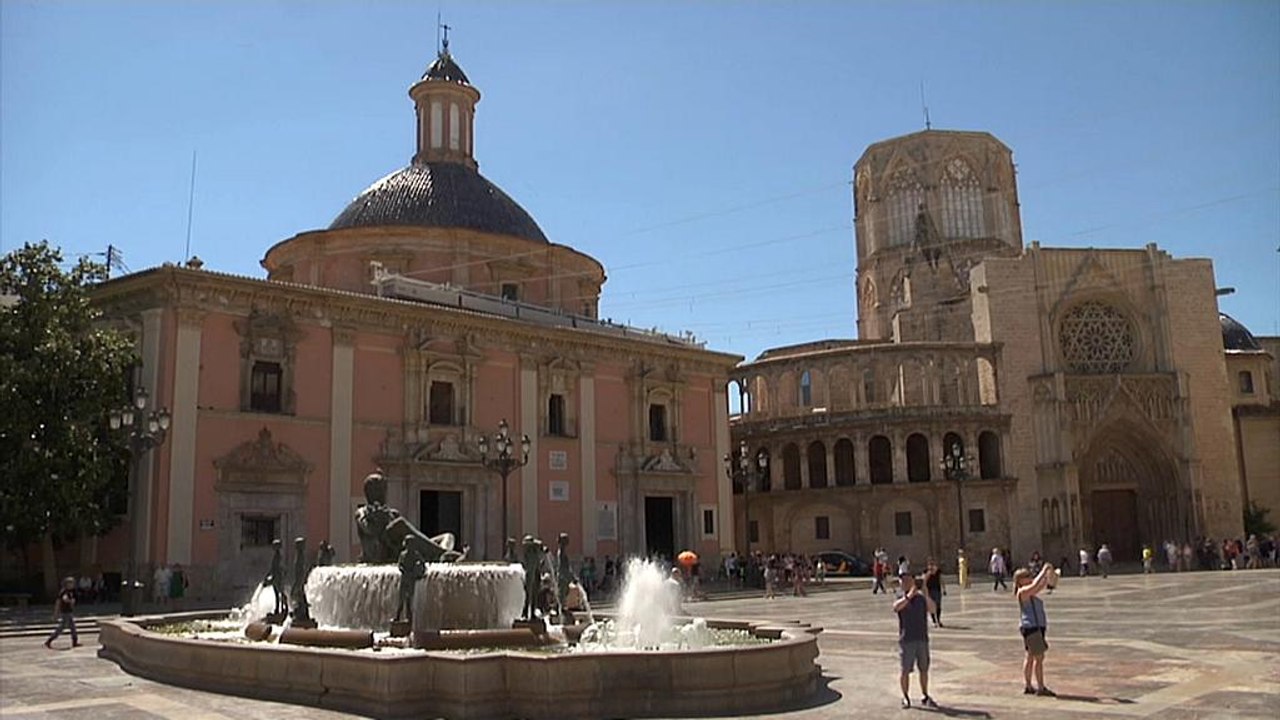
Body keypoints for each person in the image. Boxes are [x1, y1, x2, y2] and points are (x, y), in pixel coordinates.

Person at [892, 572, 938, 709]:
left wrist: (925, 593)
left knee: (924, 669)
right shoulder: (901, 597)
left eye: (908, 580)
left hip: (922, 638)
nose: (905, 583)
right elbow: (896, 607)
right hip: (907, 639)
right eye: (903, 581)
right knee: (905, 669)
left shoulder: (921, 598)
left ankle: (925, 695)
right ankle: (905, 696)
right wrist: (909, 595)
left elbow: (933, 609)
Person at [1013, 563, 1058, 697]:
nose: (1029, 578)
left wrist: (1051, 574)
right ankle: (1041, 687)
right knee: (1039, 658)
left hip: (1035, 627)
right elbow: (1035, 586)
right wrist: (1044, 570)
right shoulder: (1023, 592)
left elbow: (1044, 585)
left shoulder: (1030, 591)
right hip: (1031, 627)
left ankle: (1028, 685)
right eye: (1026, 577)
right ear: (1020, 581)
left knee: (1031, 657)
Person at [44, 577, 80, 649]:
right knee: (61, 627)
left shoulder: (71, 591)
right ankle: (50, 640)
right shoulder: (64, 592)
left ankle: (75, 641)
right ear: (67, 584)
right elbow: (62, 600)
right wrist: (56, 613)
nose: (72, 585)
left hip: (69, 611)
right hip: (65, 612)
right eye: (71, 583)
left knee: (73, 627)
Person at [923, 559, 945, 627]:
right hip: (930, 590)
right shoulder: (926, 572)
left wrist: (944, 589)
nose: (931, 566)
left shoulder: (938, 571)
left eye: (932, 564)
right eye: (930, 564)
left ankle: (938, 619)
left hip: (937, 590)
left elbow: (941, 580)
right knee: (932, 606)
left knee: (938, 605)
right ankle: (934, 621)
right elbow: (924, 581)